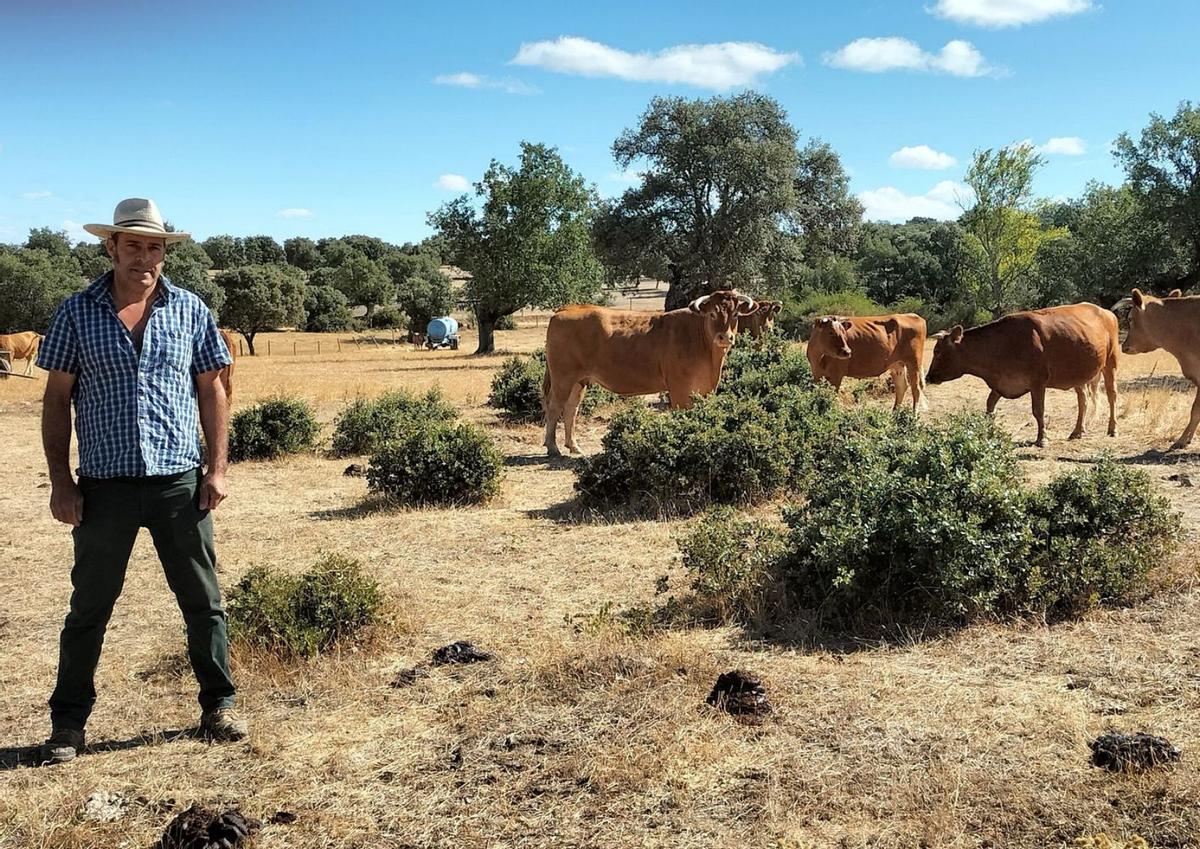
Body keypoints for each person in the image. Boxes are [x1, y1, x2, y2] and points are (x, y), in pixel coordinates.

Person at [37, 198, 245, 765]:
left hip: (180, 483)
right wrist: (62, 482)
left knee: (203, 602)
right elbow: (56, 401)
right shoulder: (76, 313)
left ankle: (219, 704)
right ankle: (68, 725)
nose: (145, 257)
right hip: (104, 488)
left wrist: (217, 468)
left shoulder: (191, 310)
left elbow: (212, 388)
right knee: (90, 608)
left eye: (154, 246)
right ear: (112, 248)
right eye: (133, 245)